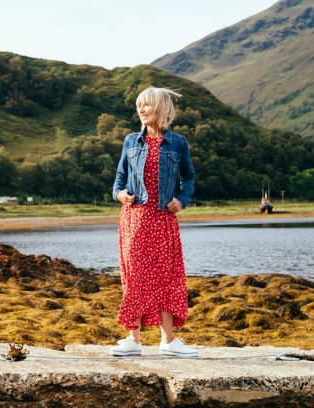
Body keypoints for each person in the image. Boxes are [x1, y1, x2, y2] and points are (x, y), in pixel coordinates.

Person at [110, 86, 197, 357]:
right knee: (134, 276)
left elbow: (189, 178)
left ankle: (168, 341)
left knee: (167, 277)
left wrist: (181, 200)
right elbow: (118, 180)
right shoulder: (130, 141)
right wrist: (120, 194)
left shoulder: (178, 143)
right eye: (139, 105)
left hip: (163, 219)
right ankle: (133, 340)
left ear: (161, 108)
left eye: (147, 105)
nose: (141, 110)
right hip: (134, 218)